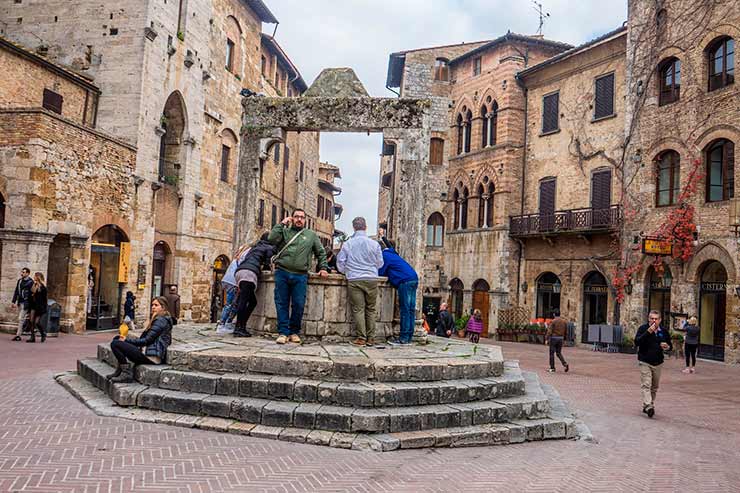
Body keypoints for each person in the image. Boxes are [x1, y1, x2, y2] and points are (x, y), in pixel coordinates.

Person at [269, 209, 329, 344]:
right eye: (296, 217)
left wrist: (323, 268)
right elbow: (271, 239)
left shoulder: (311, 235)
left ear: (305, 220)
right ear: (292, 218)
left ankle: (294, 332)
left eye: (302, 217)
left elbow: (320, 252)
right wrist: (281, 224)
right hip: (282, 272)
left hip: (300, 275)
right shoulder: (284, 232)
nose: (299, 219)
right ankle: (283, 332)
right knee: (281, 303)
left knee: (299, 304)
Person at [337, 217, 384, 347]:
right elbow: (380, 263)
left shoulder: (348, 244)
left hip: (354, 278)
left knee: (358, 309)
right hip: (371, 279)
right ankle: (371, 338)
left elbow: (340, 262)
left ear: (354, 227)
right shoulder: (374, 244)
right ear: (365, 227)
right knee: (371, 309)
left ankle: (361, 338)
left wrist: (346, 272)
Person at [108, 296, 173, 383]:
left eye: (156, 305)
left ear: (163, 307)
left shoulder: (161, 320)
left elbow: (146, 341)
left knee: (115, 344)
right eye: (152, 305)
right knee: (117, 339)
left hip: (151, 356)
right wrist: (125, 339)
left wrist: (126, 341)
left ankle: (126, 373)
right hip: (147, 351)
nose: (153, 307)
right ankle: (119, 370)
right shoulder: (158, 318)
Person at [377, 234, 418, 345]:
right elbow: (389, 246)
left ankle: (403, 338)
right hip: (413, 278)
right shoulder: (393, 253)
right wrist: (384, 237)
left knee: (405, 310)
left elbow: (381, 272)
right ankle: (409, 336)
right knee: (411, 310)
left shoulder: (385, 256)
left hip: (404, 281)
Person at [233, 233, 274, 337]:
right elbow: (267, 263)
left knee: (252, 302)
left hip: (240, 271)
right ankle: (238, 328)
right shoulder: (269, 247)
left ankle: (241, 326)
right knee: (243, 301)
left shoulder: (255, 247)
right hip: (249, 273)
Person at [635, 310, 672, 418]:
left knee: (654, 387)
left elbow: (670, 345)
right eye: (652, 318)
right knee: (646, 384)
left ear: (660, 320)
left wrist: (667, 346)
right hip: (645, 361)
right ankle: (649, 406)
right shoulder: (643, 328)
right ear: (648, 319)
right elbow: (637, 342)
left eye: (656, 319)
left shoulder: (663, 331)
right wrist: (648, 332)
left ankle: (647, 405)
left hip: (658, 362)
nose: (654, 321)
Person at [217, 244, 251, 332]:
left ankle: (225, 323)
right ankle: (223, 324)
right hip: (234, 282)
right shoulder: (241, 259)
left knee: (230, 304)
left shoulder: (236, 259)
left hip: (228, 281)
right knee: (232, 304)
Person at [11, 267, 33, 341]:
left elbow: (32, 294)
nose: (22, 273)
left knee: (20, 318)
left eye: (23, 272)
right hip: (20, 302)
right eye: (22, 272)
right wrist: (13, 301)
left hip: (26, 303)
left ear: (27, 273)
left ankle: (18, 335)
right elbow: (16, 291)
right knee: (22, 318)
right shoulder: (19, 281)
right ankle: (28, 330)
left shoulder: (30, 282)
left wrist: (30, 305)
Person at [26, 272, 48, 343]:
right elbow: (30, 296)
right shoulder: (33, 285)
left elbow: (44, 299)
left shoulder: (43, 287)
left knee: (37, 322)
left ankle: (43, 334)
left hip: (39, 307)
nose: (34, 277)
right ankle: (32, 337)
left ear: (38, 277)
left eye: (35, 276)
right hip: (33, 306)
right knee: (31, 321)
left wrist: (44, 308)